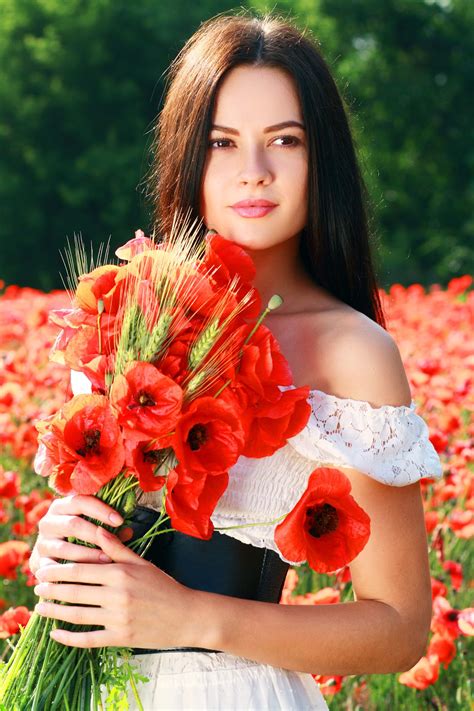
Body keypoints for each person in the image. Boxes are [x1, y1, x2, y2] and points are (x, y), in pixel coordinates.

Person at [29, 11, 443, 710]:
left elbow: (400, 627)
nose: (254, 173)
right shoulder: (126, 313)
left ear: (323, 161)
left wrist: (196, 618)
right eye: (223, 143)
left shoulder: (354, 352)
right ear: (187, 157)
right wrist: (58, 551)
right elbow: (88, 527)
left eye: (284, 140)